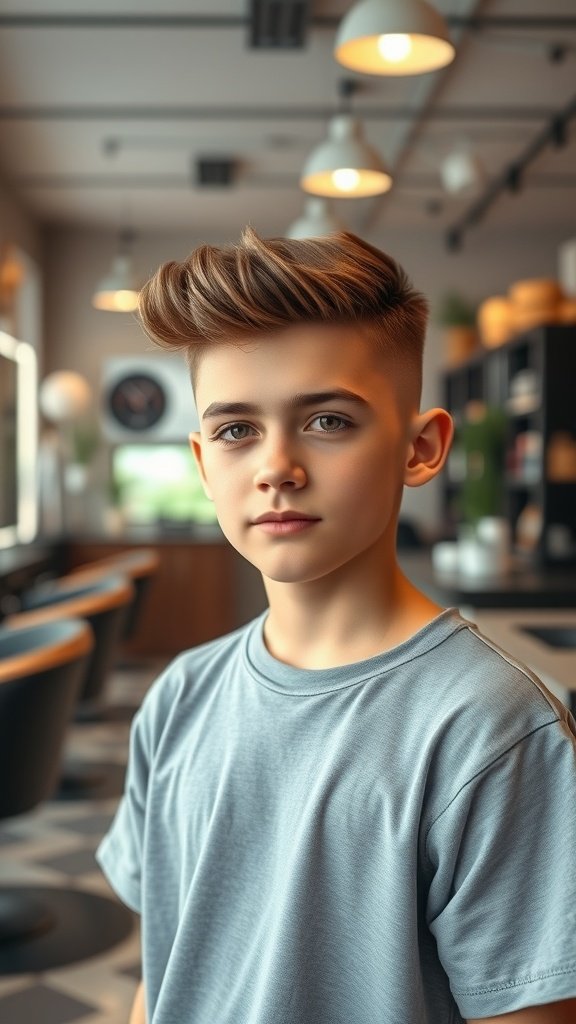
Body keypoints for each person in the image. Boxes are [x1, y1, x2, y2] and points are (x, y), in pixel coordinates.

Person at [96, 228, 576, 1024]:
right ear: (203, 462)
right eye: (236, 430)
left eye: (327, 422)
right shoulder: (177, 697)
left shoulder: (492, 729)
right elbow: (168, 970)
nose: (275, 465)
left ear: (421, 449)